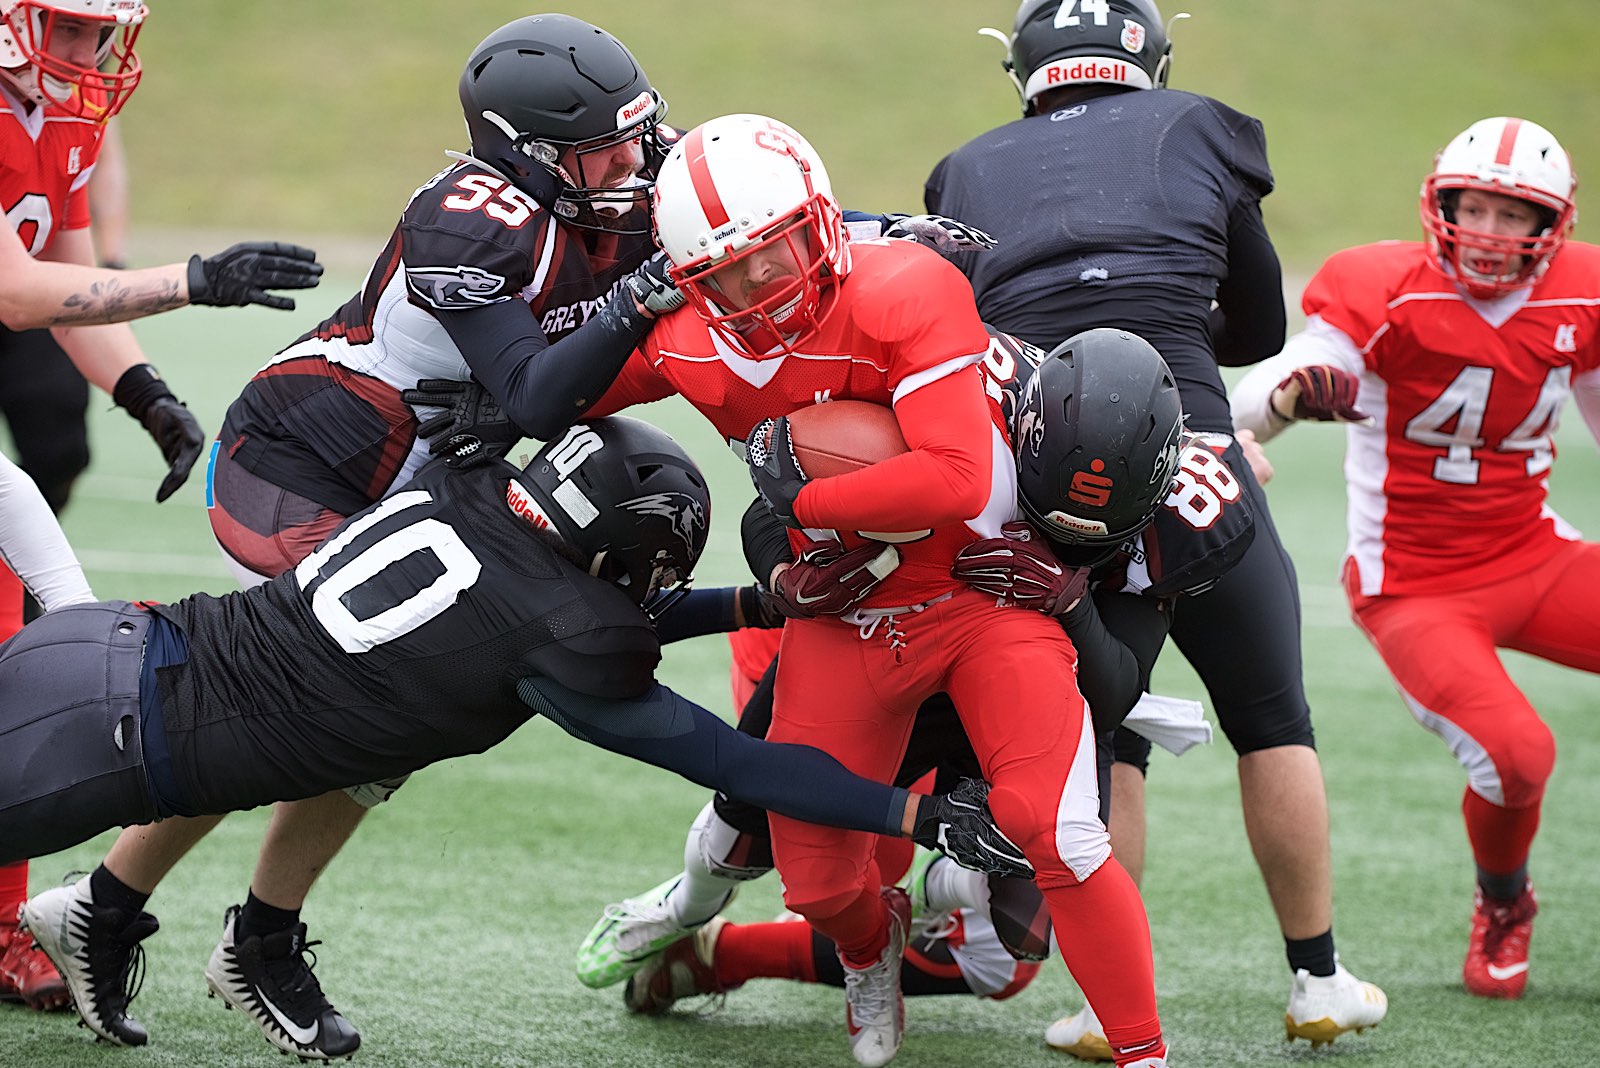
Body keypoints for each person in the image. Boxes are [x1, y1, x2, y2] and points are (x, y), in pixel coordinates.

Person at [5, 415, 1026, 1043]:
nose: (642, 595)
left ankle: (125, 918)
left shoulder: (472, 489)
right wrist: (914, 813)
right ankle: (125, 914)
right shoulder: (561, 637)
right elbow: (735, 760)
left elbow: (527, 619)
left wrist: (756, 606)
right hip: (110, 743)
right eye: (643, 572)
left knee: (368, 747)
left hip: (112, 648)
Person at [536, 113, 1172, 1068]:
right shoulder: (687, 343)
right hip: (852, 613)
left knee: (1059, 831)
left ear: (821, 221)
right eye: (725, 273)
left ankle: (1143, 1053)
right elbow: (547, 393)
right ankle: (869, 953)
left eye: (773, 251)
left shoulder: (908, 287)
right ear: (688, 282)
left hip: (982, 595)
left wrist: (807, 494)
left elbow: (958, 478)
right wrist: (784, 557)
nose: (759, 284)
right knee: (818, 883)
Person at [922, 0, 1385, 1051]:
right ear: (1151, 60)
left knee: (1104, 740)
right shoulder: (1196, 126)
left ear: (1026, 71)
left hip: (1067, 495)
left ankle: (1101, 1000)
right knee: (1272, 721)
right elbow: (1258, 325)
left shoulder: (966, 170)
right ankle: (1317, 978)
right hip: (1202, 473)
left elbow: (971, 348)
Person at [576, 330, 1242, 1039]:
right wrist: (782, 577)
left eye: (1094, 537)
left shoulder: (1183, 518)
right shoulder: (961, 411)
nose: (1066, 539)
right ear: (1023, 437)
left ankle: (775, 939)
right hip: (875, 644)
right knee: (744, 835)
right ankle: (686, 908)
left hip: (1023, 684)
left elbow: (1113, 695)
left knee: (1013, 943)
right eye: (1048, 518)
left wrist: (1071, 600)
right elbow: (778, 509)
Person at [0, 0, 322, 1014]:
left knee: (22, 647)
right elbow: (15, 290)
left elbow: (71, 271)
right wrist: (194, 281)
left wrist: (149, 396)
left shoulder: (57, 115)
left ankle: (7, 922)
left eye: (103, 32)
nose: (92, 55)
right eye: (71, 30)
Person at [1230, 115, 1599, 1002]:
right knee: (1516, 754)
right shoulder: (1383, 284)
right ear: (1440, 204)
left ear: (1551, 227)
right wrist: (1287, 395)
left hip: (1534, 553)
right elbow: (1282, 380)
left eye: (1514, 216)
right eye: (1473, 208)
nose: (1488, 233)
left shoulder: (1581, 295)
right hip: (1417, 585)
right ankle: (1503, 900)